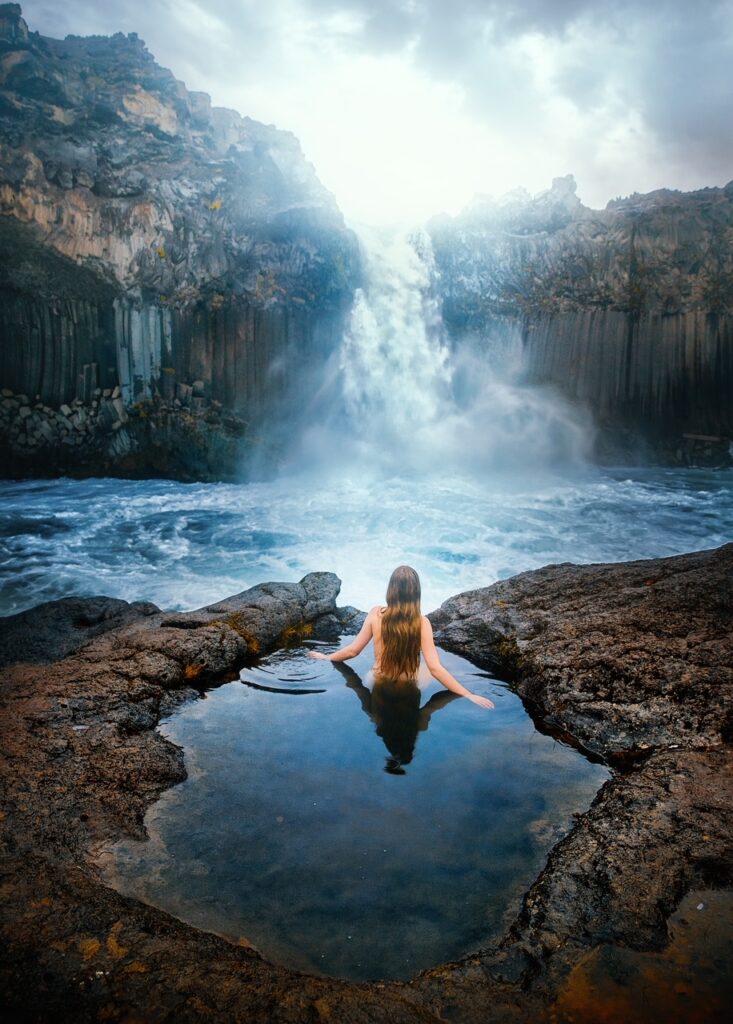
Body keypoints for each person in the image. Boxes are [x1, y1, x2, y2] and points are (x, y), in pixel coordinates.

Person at [308, 565, 494, 710]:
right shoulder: (422, 623)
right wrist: (469, 695)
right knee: (437, 667)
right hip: (409, 687)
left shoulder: (375, 614)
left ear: (391, 590)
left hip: (376, 681)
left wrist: (327, 657)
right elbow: (436, 669)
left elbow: (353, 650)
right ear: (416, 593)